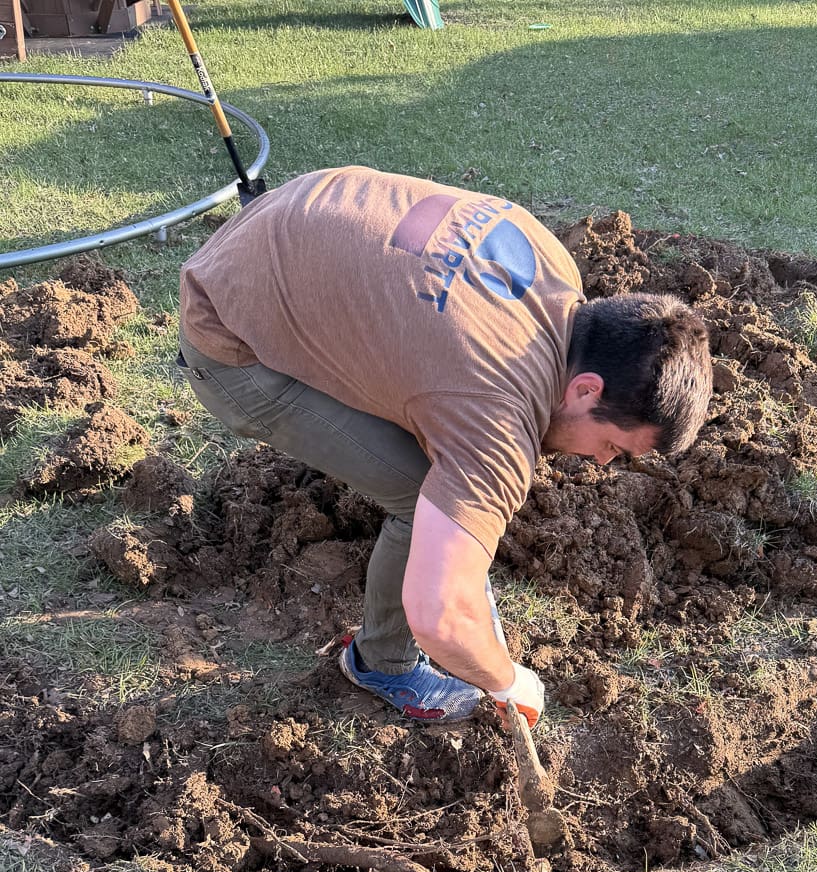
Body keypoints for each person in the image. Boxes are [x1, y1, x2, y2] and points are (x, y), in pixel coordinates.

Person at [178, 166, 712, 725]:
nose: (602, 463)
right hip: (227, 333)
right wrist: (507, 680)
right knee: (417, 491)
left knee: (440, 463)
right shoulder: (495, 420)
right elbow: (440, 618)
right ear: (585, 390)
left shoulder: (554, 267)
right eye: (614, 447)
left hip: (282, 224)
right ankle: (382, 661)